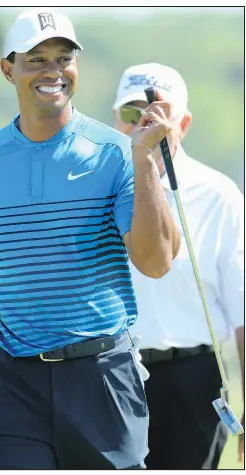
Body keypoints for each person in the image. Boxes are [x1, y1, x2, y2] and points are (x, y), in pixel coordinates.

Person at [0, 9, 181, 470]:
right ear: (8, 69)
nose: (52, 71)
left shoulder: (117, 154)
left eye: (63, 58)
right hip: (13, 382)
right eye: (36, 59)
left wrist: (144, 162)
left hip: (101, 378)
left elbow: (156, 262)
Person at [113, 62, 245, 469]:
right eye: (132, 114)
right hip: (113, 377)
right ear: (116, 121)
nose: (144, 124)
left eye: (158, 113)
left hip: (194, 378)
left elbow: (241, 313)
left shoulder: (218, 193)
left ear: (182, 123)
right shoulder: (96, 189)